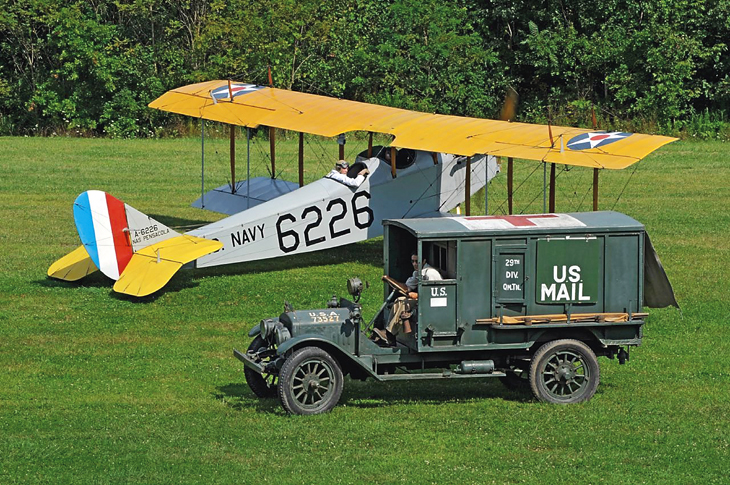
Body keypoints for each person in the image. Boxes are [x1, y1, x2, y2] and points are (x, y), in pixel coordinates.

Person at [373, 253, 442, 346]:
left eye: (417, 261)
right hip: (423, 300)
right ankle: (389, 334)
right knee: (399, 300)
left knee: (403, 303)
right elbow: (407, 287)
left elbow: (434, 293)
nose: (414, 264)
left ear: (424, 261)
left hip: (433, 303)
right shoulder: (417, 272)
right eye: (412, 261)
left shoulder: (430, 273)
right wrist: (391, 281)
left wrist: (417, 295)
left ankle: (389, 333)